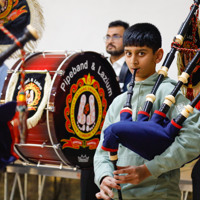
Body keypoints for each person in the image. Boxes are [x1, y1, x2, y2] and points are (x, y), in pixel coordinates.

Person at [94, 23, 200, 200]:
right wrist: (104, 177)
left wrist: (149, 170)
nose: (133, 61)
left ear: (158, 55)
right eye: (128, 53)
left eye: (141, 53)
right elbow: (103, 151)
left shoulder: (169, 93)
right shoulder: (119, 102)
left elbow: (194, 138)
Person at [105, 20, 131, 92]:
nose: (110, 41)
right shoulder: (99, 65)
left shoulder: (133, 68)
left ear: (127, 40)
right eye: (108, 37)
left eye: (116, 36)